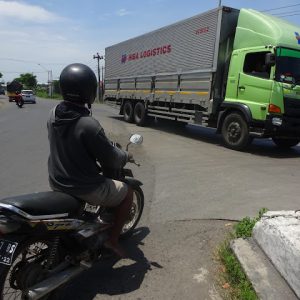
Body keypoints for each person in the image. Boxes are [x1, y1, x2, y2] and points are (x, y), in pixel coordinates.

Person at [47, 63, 133, 258]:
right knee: (127, 193)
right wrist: (126, 155)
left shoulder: (53, 114)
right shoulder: (88, 124)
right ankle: (112, 241)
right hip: (84, 187)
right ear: (88, 91)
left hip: (56, 179)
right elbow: (111, 158)